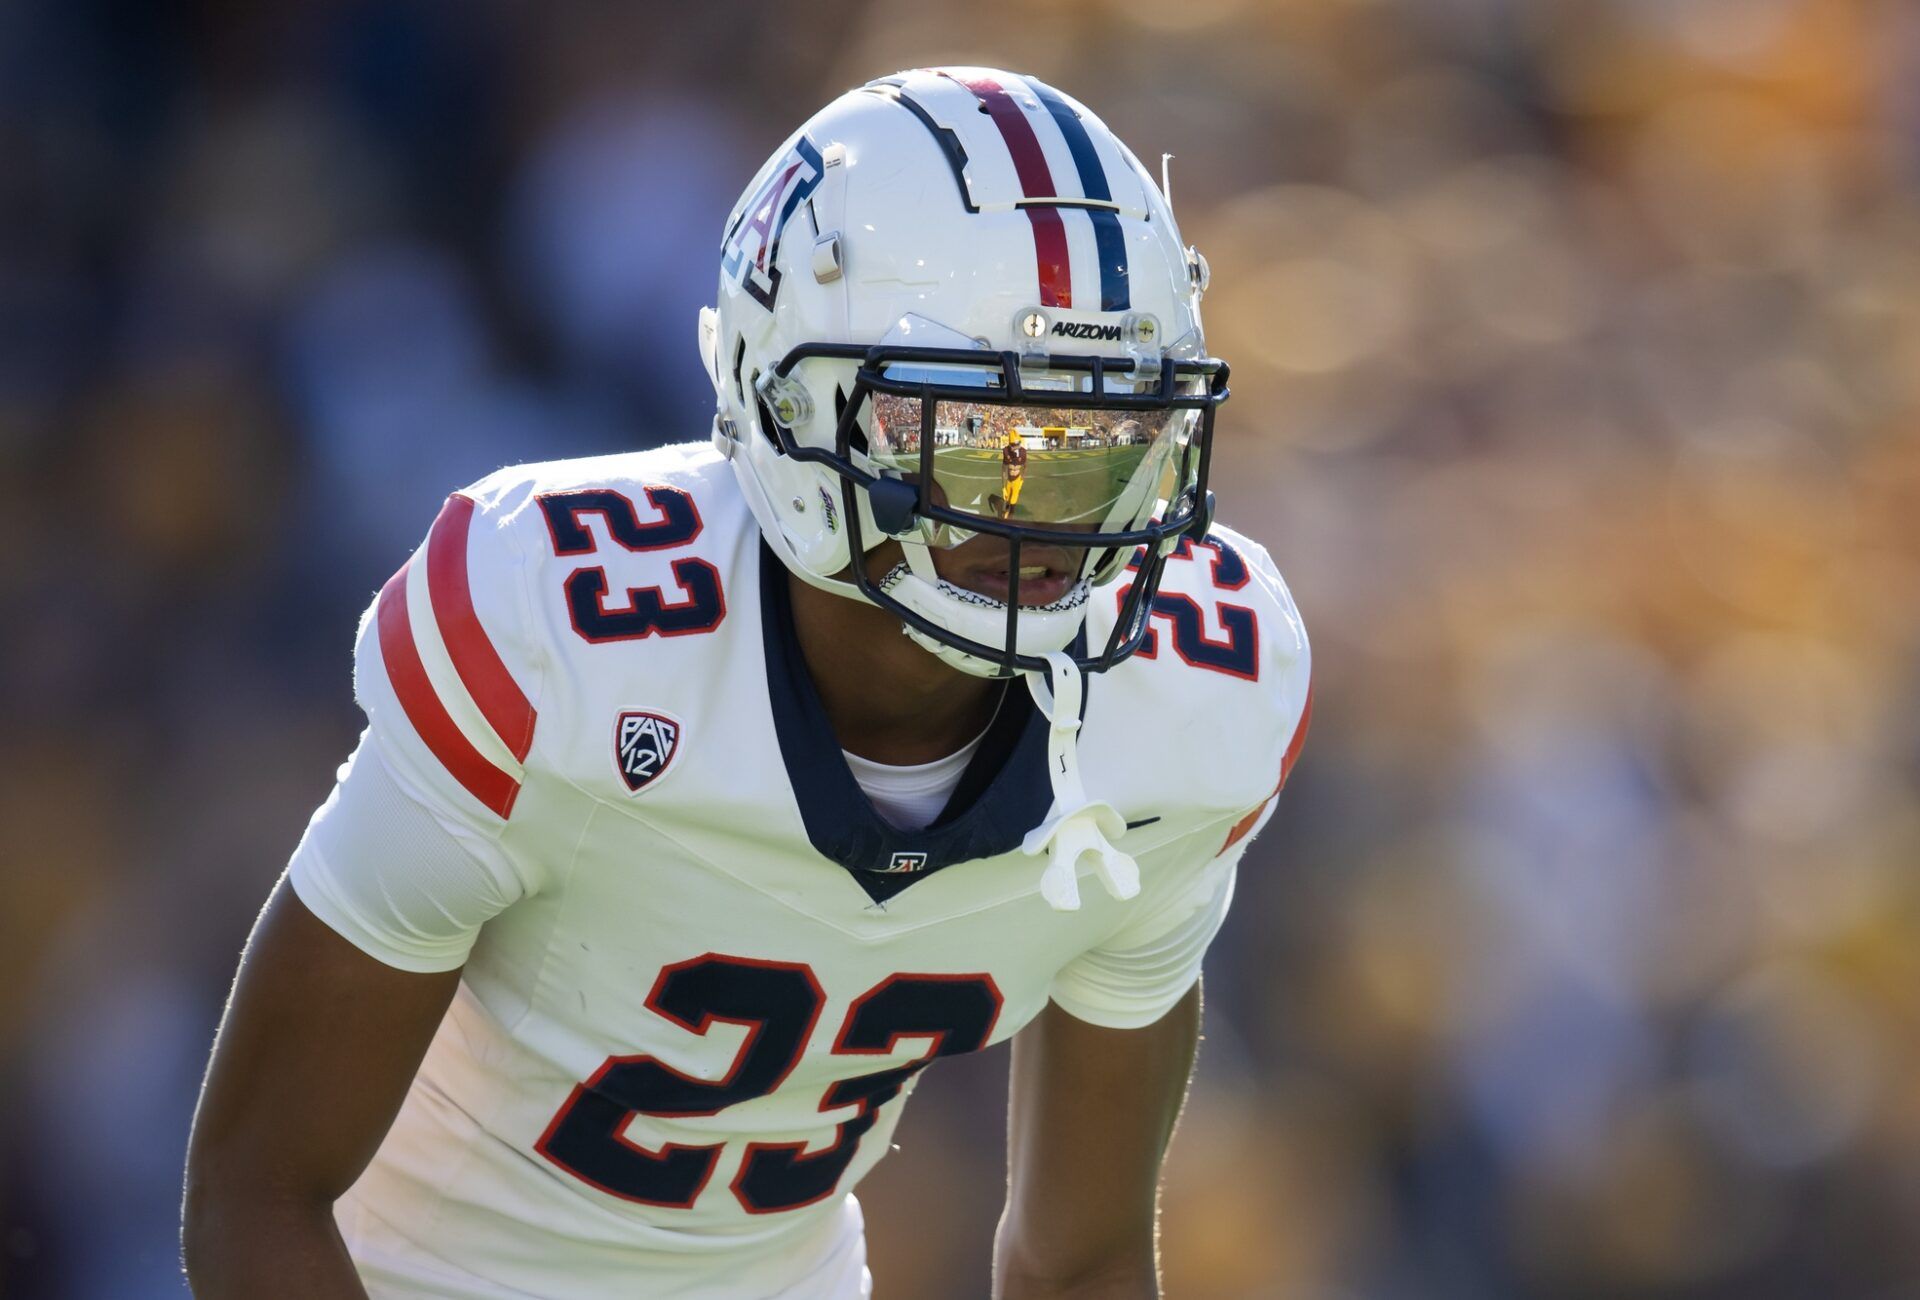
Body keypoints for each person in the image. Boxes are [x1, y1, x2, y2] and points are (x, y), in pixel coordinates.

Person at [183, 66, 1311, 1299]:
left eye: (1105, 449)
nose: (1056, 524)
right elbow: (259, 1191)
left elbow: (1083, 1257)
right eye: (992, 445)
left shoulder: (1195, 695)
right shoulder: (559, 635)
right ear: (796, 408)